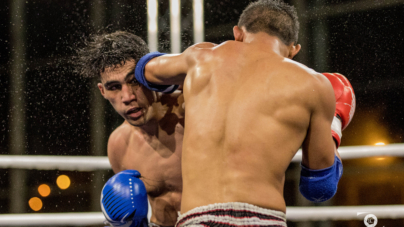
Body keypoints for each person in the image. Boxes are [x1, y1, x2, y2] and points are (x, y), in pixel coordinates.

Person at [133, 0, 355, 226]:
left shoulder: (201, 58)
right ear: (293, 49)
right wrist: (334, 125)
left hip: (198, 220)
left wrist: (186, 79)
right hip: (264, 220)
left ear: (237, 33)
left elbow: (144, 70)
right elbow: (319, 189)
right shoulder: (314, 85)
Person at [75, 31, 184, 227]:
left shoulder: (191, 113)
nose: (127, 97)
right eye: (114, 87)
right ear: (103, 91)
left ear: (149, 75)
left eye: (134, 81)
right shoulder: (119, 145)